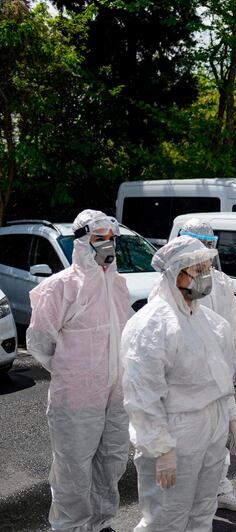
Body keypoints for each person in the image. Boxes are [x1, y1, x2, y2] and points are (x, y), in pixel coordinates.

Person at [122, 236, 236, 531]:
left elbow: (220, 377)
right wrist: (160, 449)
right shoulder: (153, 325)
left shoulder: (211, 322)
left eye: (206, 267)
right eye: (197, 269)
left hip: (210, 428)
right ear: (176, 274)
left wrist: (230, 414)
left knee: (203, 510)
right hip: (176, 434)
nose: (205, 275)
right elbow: (143, 395)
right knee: (166, 517)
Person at [26, 209, 130, 532]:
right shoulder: (60, 287)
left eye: (111, 238)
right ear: (83, 242)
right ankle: (69, 527)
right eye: (100, 238)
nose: (107, 245)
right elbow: (40, 342)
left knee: (111, 463)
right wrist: (73, 371)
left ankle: (100, 524)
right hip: (76, 397)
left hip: (115, 393)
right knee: (73, 470)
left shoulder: (119, 285)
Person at [178, 219, 236, 512]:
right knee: (191, 435)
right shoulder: (175, 283)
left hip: (219, 370)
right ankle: (189, 495)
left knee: (220, 432)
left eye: (210, 245)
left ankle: (219, 488)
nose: (206, 251)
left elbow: (233, 323)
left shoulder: (220, 282)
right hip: (189, 373)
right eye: (200, 245)